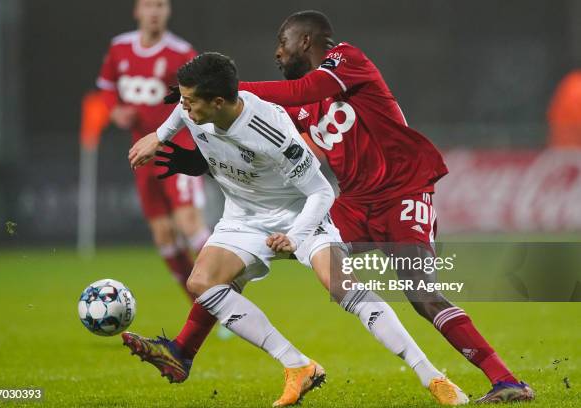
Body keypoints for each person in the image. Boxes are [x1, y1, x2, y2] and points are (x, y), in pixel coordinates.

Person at [125, 52, 468, 406]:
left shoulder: (270, 129)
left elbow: (320, 192)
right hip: (243, 217)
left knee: (340, 286)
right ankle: (297, 365)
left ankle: (431, 376)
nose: (184, 108)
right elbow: (180, 112)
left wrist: (295, 236)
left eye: (190, 101)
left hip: (301, 213)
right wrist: (159, 136)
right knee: (201, 282)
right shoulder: (195, 108)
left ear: (218, 102)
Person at [235, 10, 534, 404]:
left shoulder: (346, 59)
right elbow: (269, 123)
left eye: (282, 42)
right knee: (247, 251)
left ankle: (506, 381)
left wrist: (230, 86)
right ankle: (186, 348)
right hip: (356, 205)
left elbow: (297, 92)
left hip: (403, 192)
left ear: (305, 41)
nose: (277, 52)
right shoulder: (307, 105)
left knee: (422, 296)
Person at [96, 0, 209, 295]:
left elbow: (202, 96)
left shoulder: (182, 53)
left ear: (168, 11)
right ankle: (200, 304)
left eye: (161, 5)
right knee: (163, 235)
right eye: (149, 5)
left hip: (178, 150)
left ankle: (226, 290)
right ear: (137, 10)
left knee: (188, 222)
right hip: (142, 154)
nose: (155, 11)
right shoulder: (119, 48)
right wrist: (115, 111)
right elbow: (107, 87)